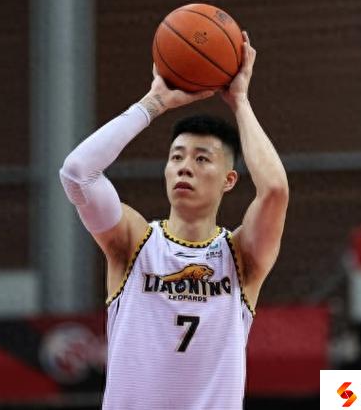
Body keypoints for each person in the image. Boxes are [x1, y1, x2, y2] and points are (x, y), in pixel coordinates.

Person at [59, 32, 288, 410]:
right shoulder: (133, 241)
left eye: (202, 159)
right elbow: (76, 173)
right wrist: (153, 103)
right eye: (177, 157)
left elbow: (275, 190)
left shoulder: (242, 257)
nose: (184, 167)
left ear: (229, 180)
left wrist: (240, 102)